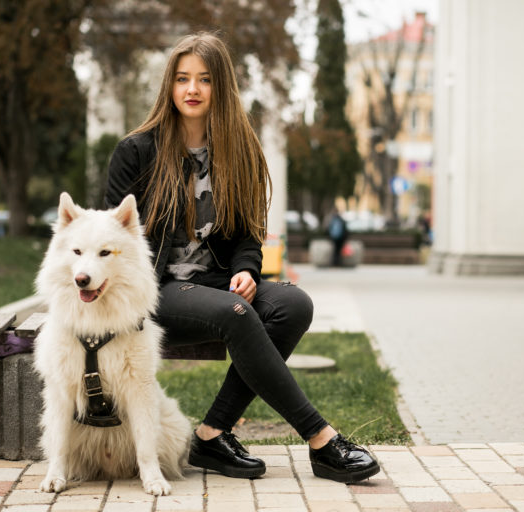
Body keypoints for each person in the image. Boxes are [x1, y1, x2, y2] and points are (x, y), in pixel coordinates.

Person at [104, 32, 379, 483]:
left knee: (293, 305)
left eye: (205, 79)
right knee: (236, 313)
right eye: (182, 78)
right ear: (169, 86)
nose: (192, 89)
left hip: (211, 283)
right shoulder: (137, 151)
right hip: (151, 289)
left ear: (221, 88)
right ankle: (321, 440)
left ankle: (212, 435)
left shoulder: (238, 150)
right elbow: (115, 238)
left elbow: (248, 233)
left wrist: (247, 270)